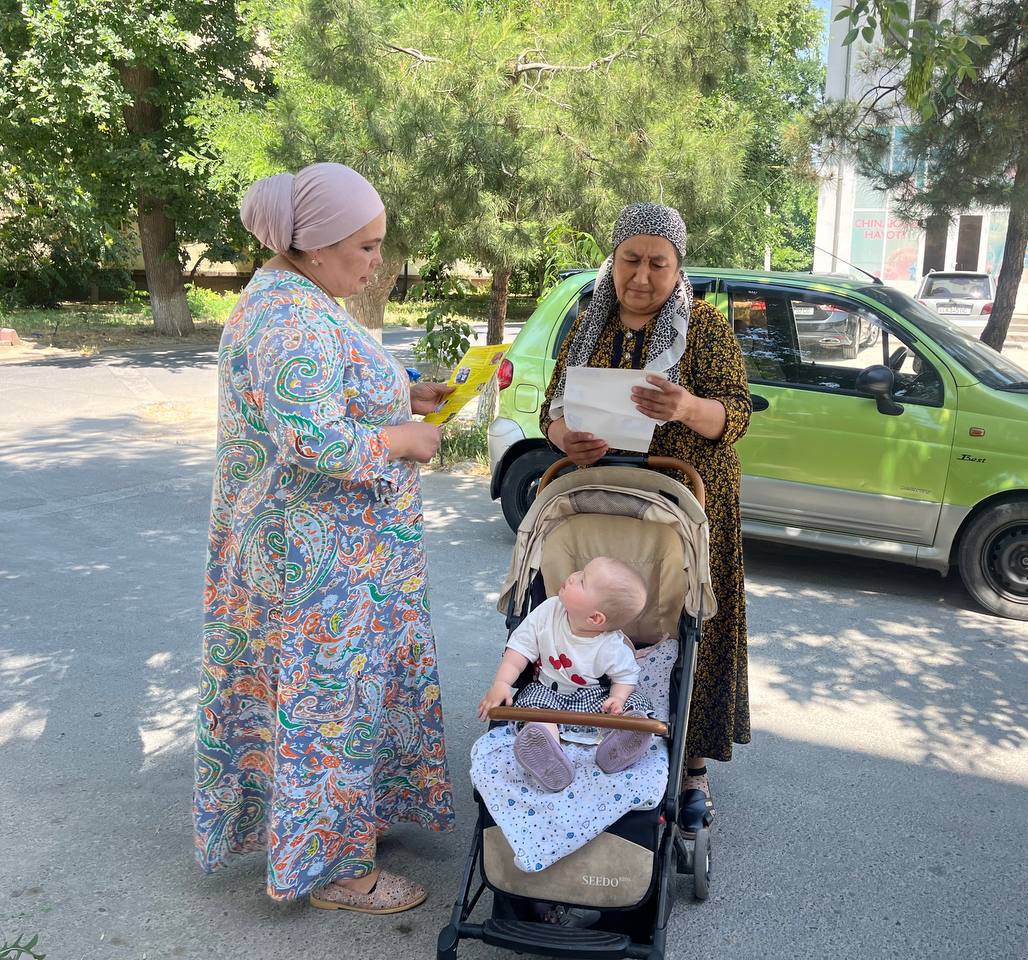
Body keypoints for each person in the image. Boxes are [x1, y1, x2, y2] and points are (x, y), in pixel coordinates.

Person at [195, 162, 454, 915]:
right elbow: (312, 438)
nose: (378, 261)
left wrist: (406, 393)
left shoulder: (299, 297)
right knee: (326, 712)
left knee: (336, 707)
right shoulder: (290, 315)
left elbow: (327, 389)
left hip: (329, 558)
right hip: (314, 568)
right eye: (365, 247)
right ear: (313, 246)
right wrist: (402, 440)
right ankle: (340, 873)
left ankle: (342, 830)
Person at [540, 202, 751, 836]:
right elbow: (553, 408)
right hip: (604, 502)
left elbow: (736, 415)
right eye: (630, 259)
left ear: (678, 266)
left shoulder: (705, 326)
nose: (642, 275)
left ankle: (691, 769)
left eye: (658, 263)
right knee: (602, 619)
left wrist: (686, 406)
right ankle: (589, 735)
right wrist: (564, 438)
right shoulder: (590, 323)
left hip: (688, 502)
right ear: (613, 260)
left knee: (690, 625)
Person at [477, 557, 653, 792]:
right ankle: (546, 753)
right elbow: (519, 650)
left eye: (582, 581)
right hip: (549, 691)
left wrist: (617, 698)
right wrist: (502, 683)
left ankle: (617, 747)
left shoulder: (611, 645)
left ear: (595, 618)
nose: (572, 576)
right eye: (579, 572)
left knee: (636, 703)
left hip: (595, 697)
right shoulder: (548, 612)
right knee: (533, 710)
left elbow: (625, 676)